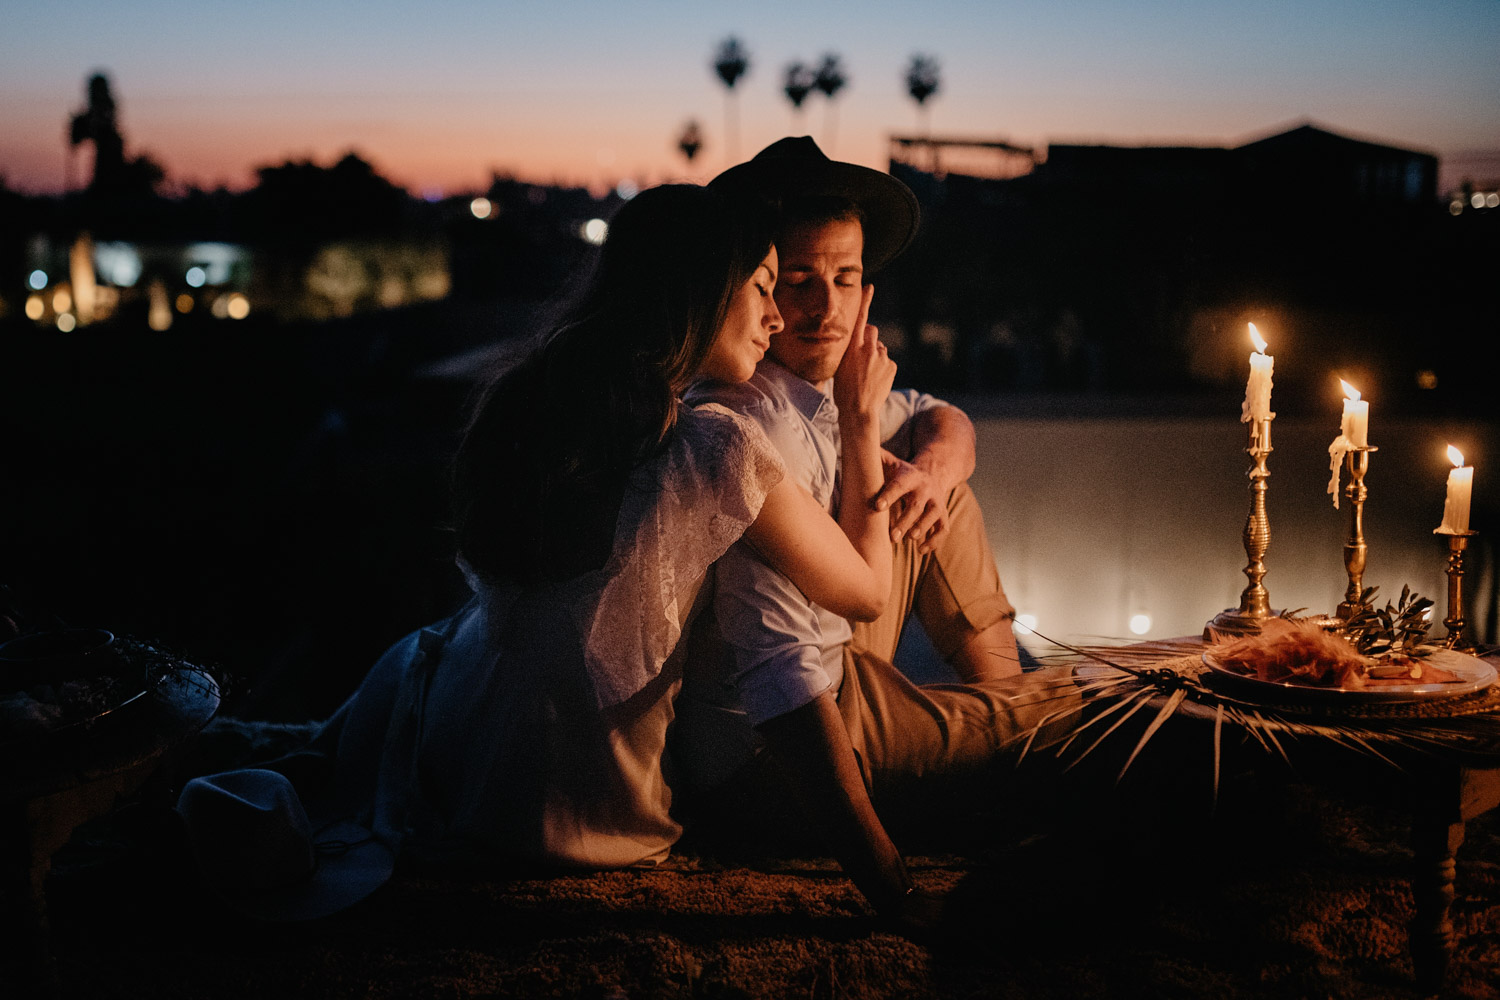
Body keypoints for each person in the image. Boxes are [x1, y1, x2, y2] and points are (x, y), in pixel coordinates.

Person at [177, 182, 907, 915]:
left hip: (472, 768)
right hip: (593, 814)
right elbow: (869, 593)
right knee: (428, 654)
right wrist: (859, 419)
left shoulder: (537, 397)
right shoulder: (721, 446)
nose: (776, 317)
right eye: (763, 287)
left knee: (429, 650)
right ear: (702, 290)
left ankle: (280, 772)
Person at [675, 138, 1078, 924]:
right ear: (755, 288)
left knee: (935, 489)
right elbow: (782, 679)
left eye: (846, 279)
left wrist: (928, 467)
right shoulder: (753, 427)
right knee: (1076, 714)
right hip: (768, 761)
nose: (827, 309)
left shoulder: (826, 389)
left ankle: (994, 717)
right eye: (798, 282)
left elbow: (942, 419)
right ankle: (1002, 736)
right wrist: (894, 888)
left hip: (839, 674)